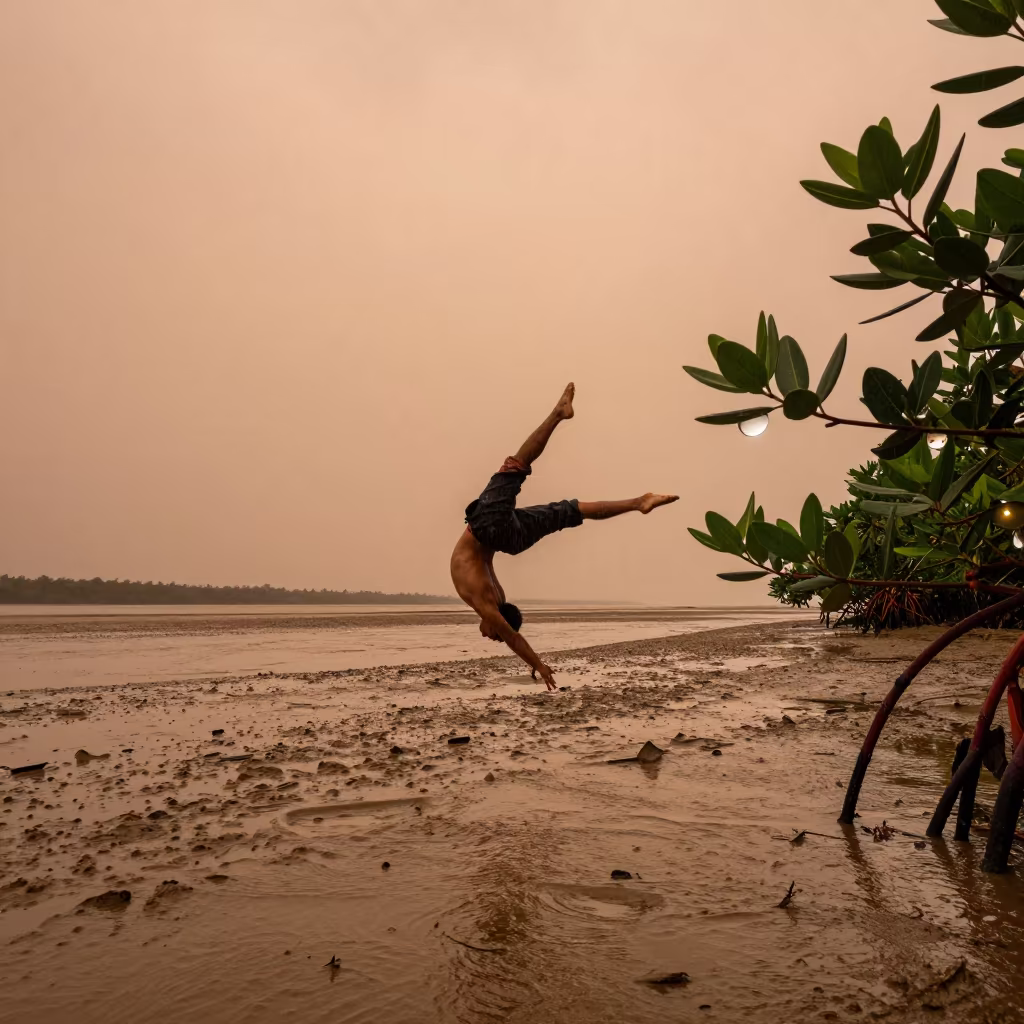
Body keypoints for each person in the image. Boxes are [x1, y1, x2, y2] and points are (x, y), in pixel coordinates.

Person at [450, 383, 678, 690]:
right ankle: (560, 416)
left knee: (569, 512)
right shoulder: (488, 604)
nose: (486, 635)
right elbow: (512, 637)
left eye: (492, 635)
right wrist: (539, 665)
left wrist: (536, 661)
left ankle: (639, 502)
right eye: (491, 634)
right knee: (516, 467)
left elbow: (510, 632)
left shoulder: (495, 601)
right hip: (490, 530)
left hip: (506, 539)